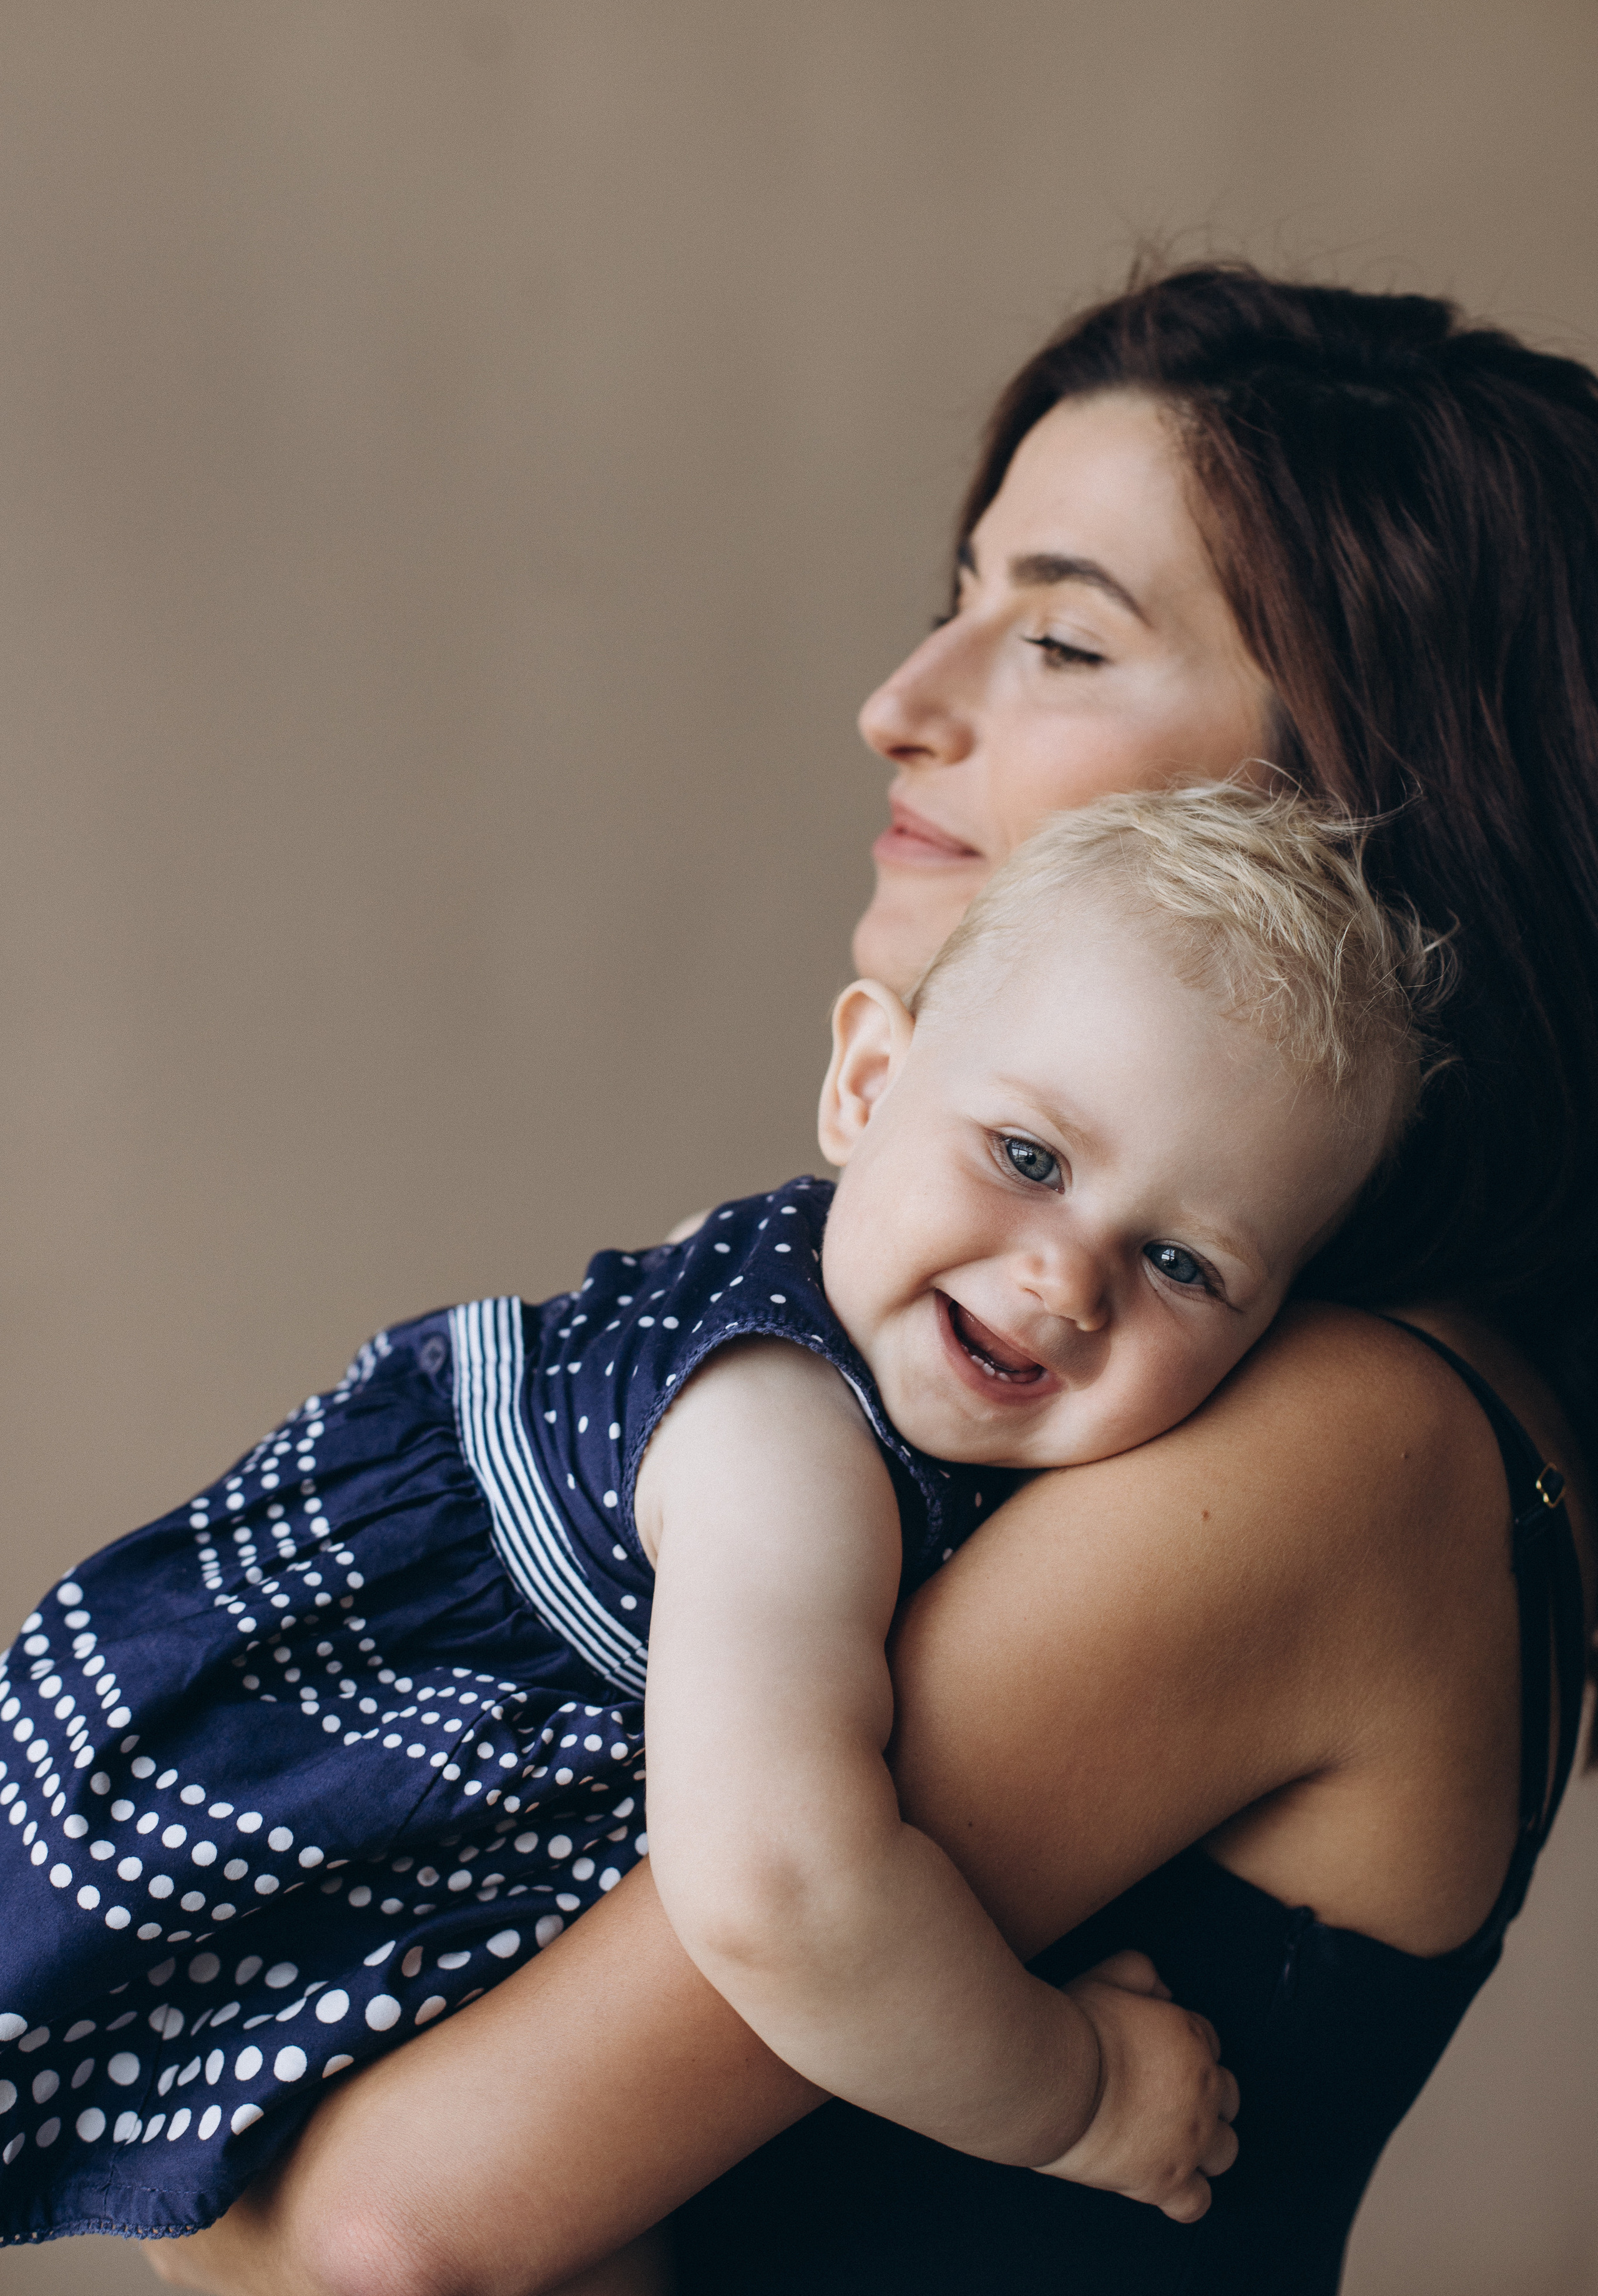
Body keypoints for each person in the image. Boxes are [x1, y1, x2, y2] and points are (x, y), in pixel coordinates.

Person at [140, 263, 1598, 2296]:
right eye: (963, 591)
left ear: (1375, 786)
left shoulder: (1337, 1445)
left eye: (1065, 634)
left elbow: (365, 2243)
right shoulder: (1260, 1387)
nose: (904, 699)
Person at [2, 783, 1440, 2252]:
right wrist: (1070, 2092)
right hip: (280, 1781)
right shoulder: (784, 1458)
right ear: (866, 1084)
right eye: (1026, 1158)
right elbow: (779, 1890)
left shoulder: (778, 1265)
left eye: (1183, 1265)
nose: (1067, 1283)